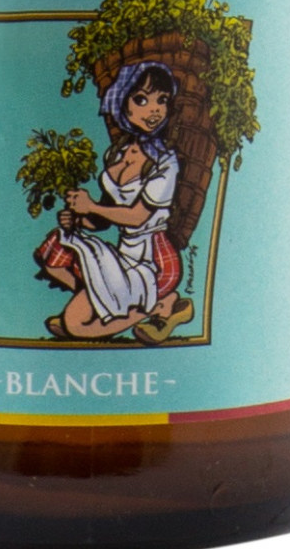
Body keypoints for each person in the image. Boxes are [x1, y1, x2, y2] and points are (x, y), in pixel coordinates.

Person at [35, 61, 194, 340]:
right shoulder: (116, 153)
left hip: (154, 260)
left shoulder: (165, 161)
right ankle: (109, 307)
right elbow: (103, 220)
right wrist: (79, 218)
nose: (154, 110)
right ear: (124, 103)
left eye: (162, 100)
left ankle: (159, 307)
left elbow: (137, 217)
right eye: (142, 99)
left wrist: (91, 206)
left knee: (74, 324)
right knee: (58, 247)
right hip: (124, 254)